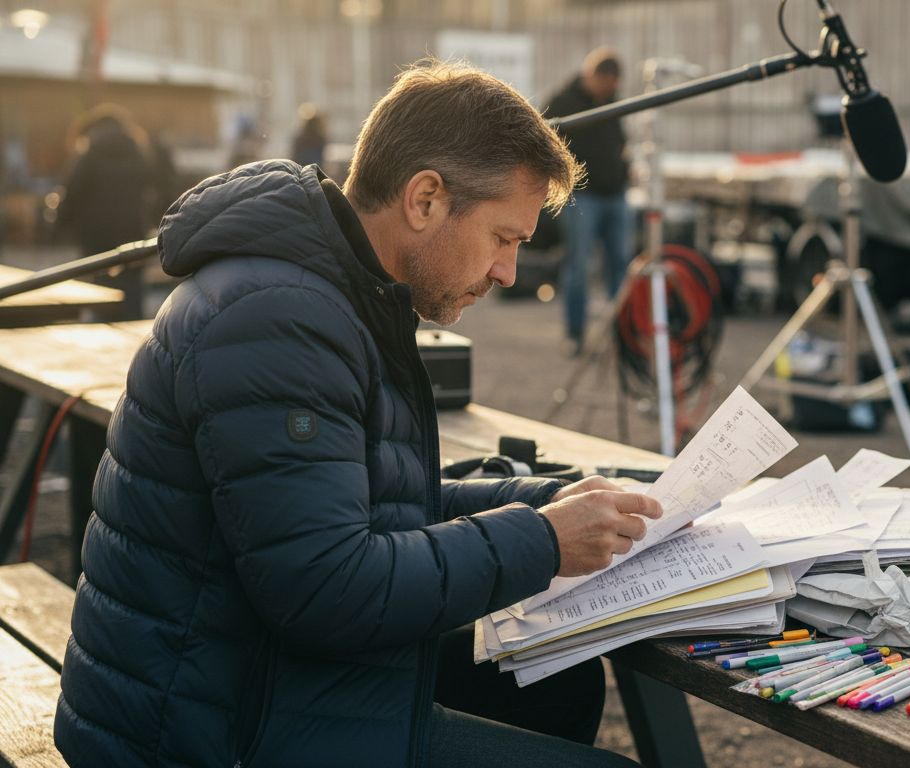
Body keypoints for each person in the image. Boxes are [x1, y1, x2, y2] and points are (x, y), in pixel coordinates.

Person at [54, 60, 660, 768]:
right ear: (425, 199)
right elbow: (326, 587)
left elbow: (366, 502)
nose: (508, 274)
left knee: (557, 680)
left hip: (249, 677)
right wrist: (542, 541)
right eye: (504, 239)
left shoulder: (330, 289)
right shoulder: (281, 317)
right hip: (203, 736)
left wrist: (546, 501)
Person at [545, 48, 633, 353]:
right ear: (593, 76)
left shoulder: (612, 101)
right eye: (606, 83)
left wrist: (623, 169)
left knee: (620, 268)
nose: (610, 90)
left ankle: (622, 336)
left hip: (616, 195)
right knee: (578, 266)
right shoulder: (563, 102)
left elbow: (621, 141)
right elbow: (543, 140)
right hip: (583, 197)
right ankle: (575, 335)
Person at [57, 104, 153, 317]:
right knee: (133, 291)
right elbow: (151, 188)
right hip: (133, 233)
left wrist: (59, 221)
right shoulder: (137, 149)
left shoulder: (89, 151)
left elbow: (71, 191)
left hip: (97, 237)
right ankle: (133, 336)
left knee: (101, 291)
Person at [292, 102, 328, 170]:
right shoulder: (320, 138)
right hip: (314, 171)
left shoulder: (300, 138)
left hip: (302, 170)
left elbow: (295, 157)